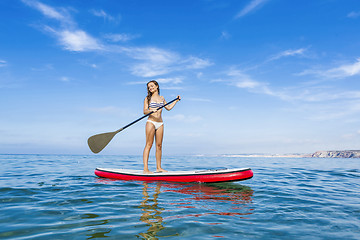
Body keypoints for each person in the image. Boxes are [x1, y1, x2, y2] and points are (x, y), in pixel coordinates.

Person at [143, 80, 180, 174]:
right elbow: (144, 111)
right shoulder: (147, 98)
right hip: (151, 122)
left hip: (160, 123)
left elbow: (168, 108)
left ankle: (159, 167)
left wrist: (176, 100)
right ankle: (146, 169)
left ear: (157, 86)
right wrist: (151, 110)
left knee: (159, 146)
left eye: (152, 86)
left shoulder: (162, 98)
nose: (150, 88)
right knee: (149, 145)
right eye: (149, 87)